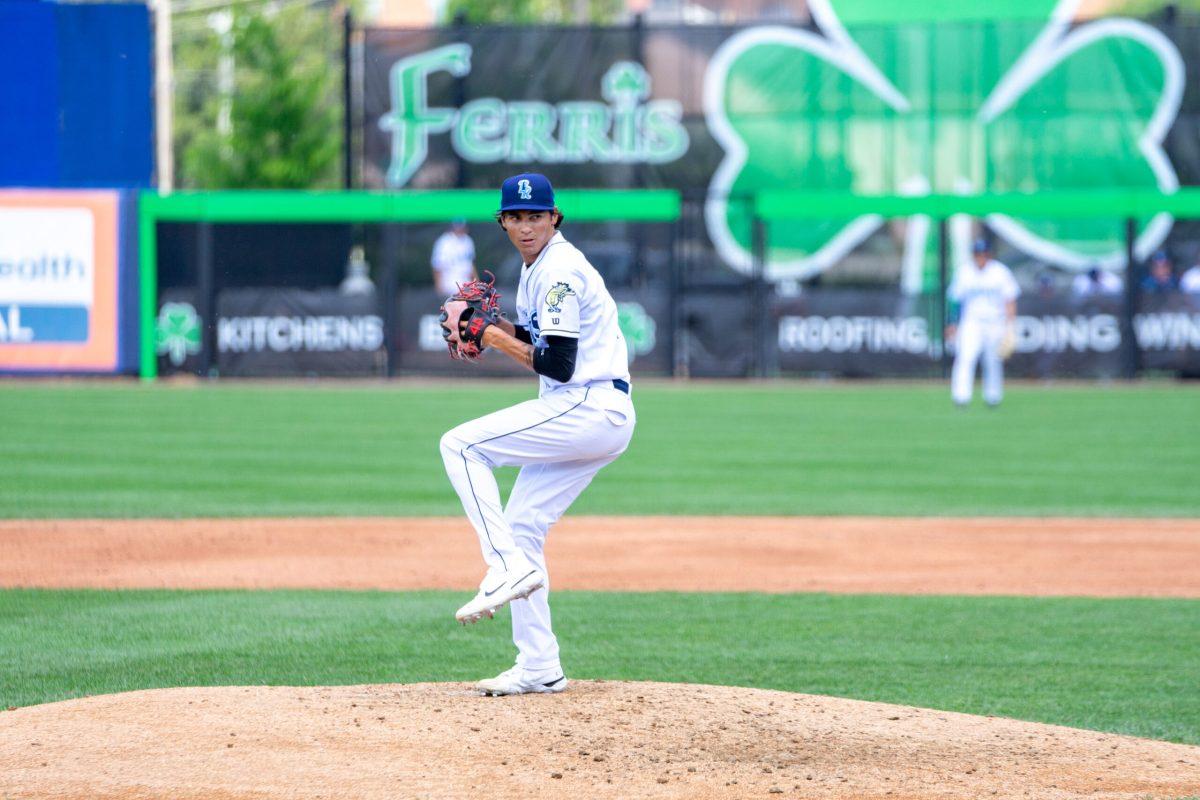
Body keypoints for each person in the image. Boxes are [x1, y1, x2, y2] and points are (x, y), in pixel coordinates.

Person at [438, 173, 635, 696]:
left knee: (460, 445)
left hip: (587, 403)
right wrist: (490, 323)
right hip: (590, 409)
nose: (526, 226)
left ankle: (501, 566)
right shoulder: (539, 269)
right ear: (503, 222)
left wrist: (493, 334)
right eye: (516, 217)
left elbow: (560, 364)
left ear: (555, 218)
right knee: (523, 522)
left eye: (536, 216)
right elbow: (541, 337)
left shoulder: (559, 270)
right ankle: (539, 665)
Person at [945, 238, 1019, 408]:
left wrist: (1010, 326)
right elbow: (955, 300)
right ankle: (961, 397)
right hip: (971, 322)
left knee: (993, 360)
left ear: (989, 254)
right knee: (966, 356)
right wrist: (952, 323)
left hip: (995, 321)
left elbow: (1010, 299)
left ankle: (993, 397)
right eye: (977, 254)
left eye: (983, 254)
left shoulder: (1000, 272)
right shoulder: (964, 272)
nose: (980, 257)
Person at [431, 218, 477, 296]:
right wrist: (438, 286)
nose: (460, 229)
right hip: (449, 287)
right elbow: (437, 266)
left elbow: (471, 265)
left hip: (466, 287)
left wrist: (476, 283)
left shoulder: (468, 240)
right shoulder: (444, 242)